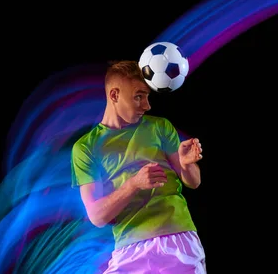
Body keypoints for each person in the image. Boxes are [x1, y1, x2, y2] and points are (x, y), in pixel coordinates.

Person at [70, 60, 206, 273]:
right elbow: (97, 216)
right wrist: (134, 184)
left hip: (176, 241)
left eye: (147, 96)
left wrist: (187, 165)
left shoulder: (159, 126)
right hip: (128, 249)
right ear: (114, 95)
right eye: (138, 97)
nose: (147, 105)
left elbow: (194, 182)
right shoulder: (85, 148)